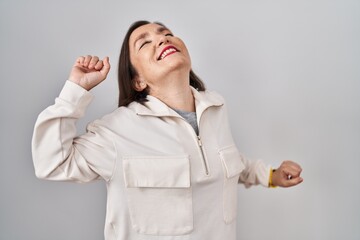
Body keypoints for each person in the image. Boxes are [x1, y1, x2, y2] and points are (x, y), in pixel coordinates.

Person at [32, 20, 303, 240]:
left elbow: (228, 160)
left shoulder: (216, 108)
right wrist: (75, 91)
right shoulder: (117, 131)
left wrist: (270, 175)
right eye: (145, 42)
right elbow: (51, 163)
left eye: (167, 33)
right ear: (137, 80)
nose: (162, 39)